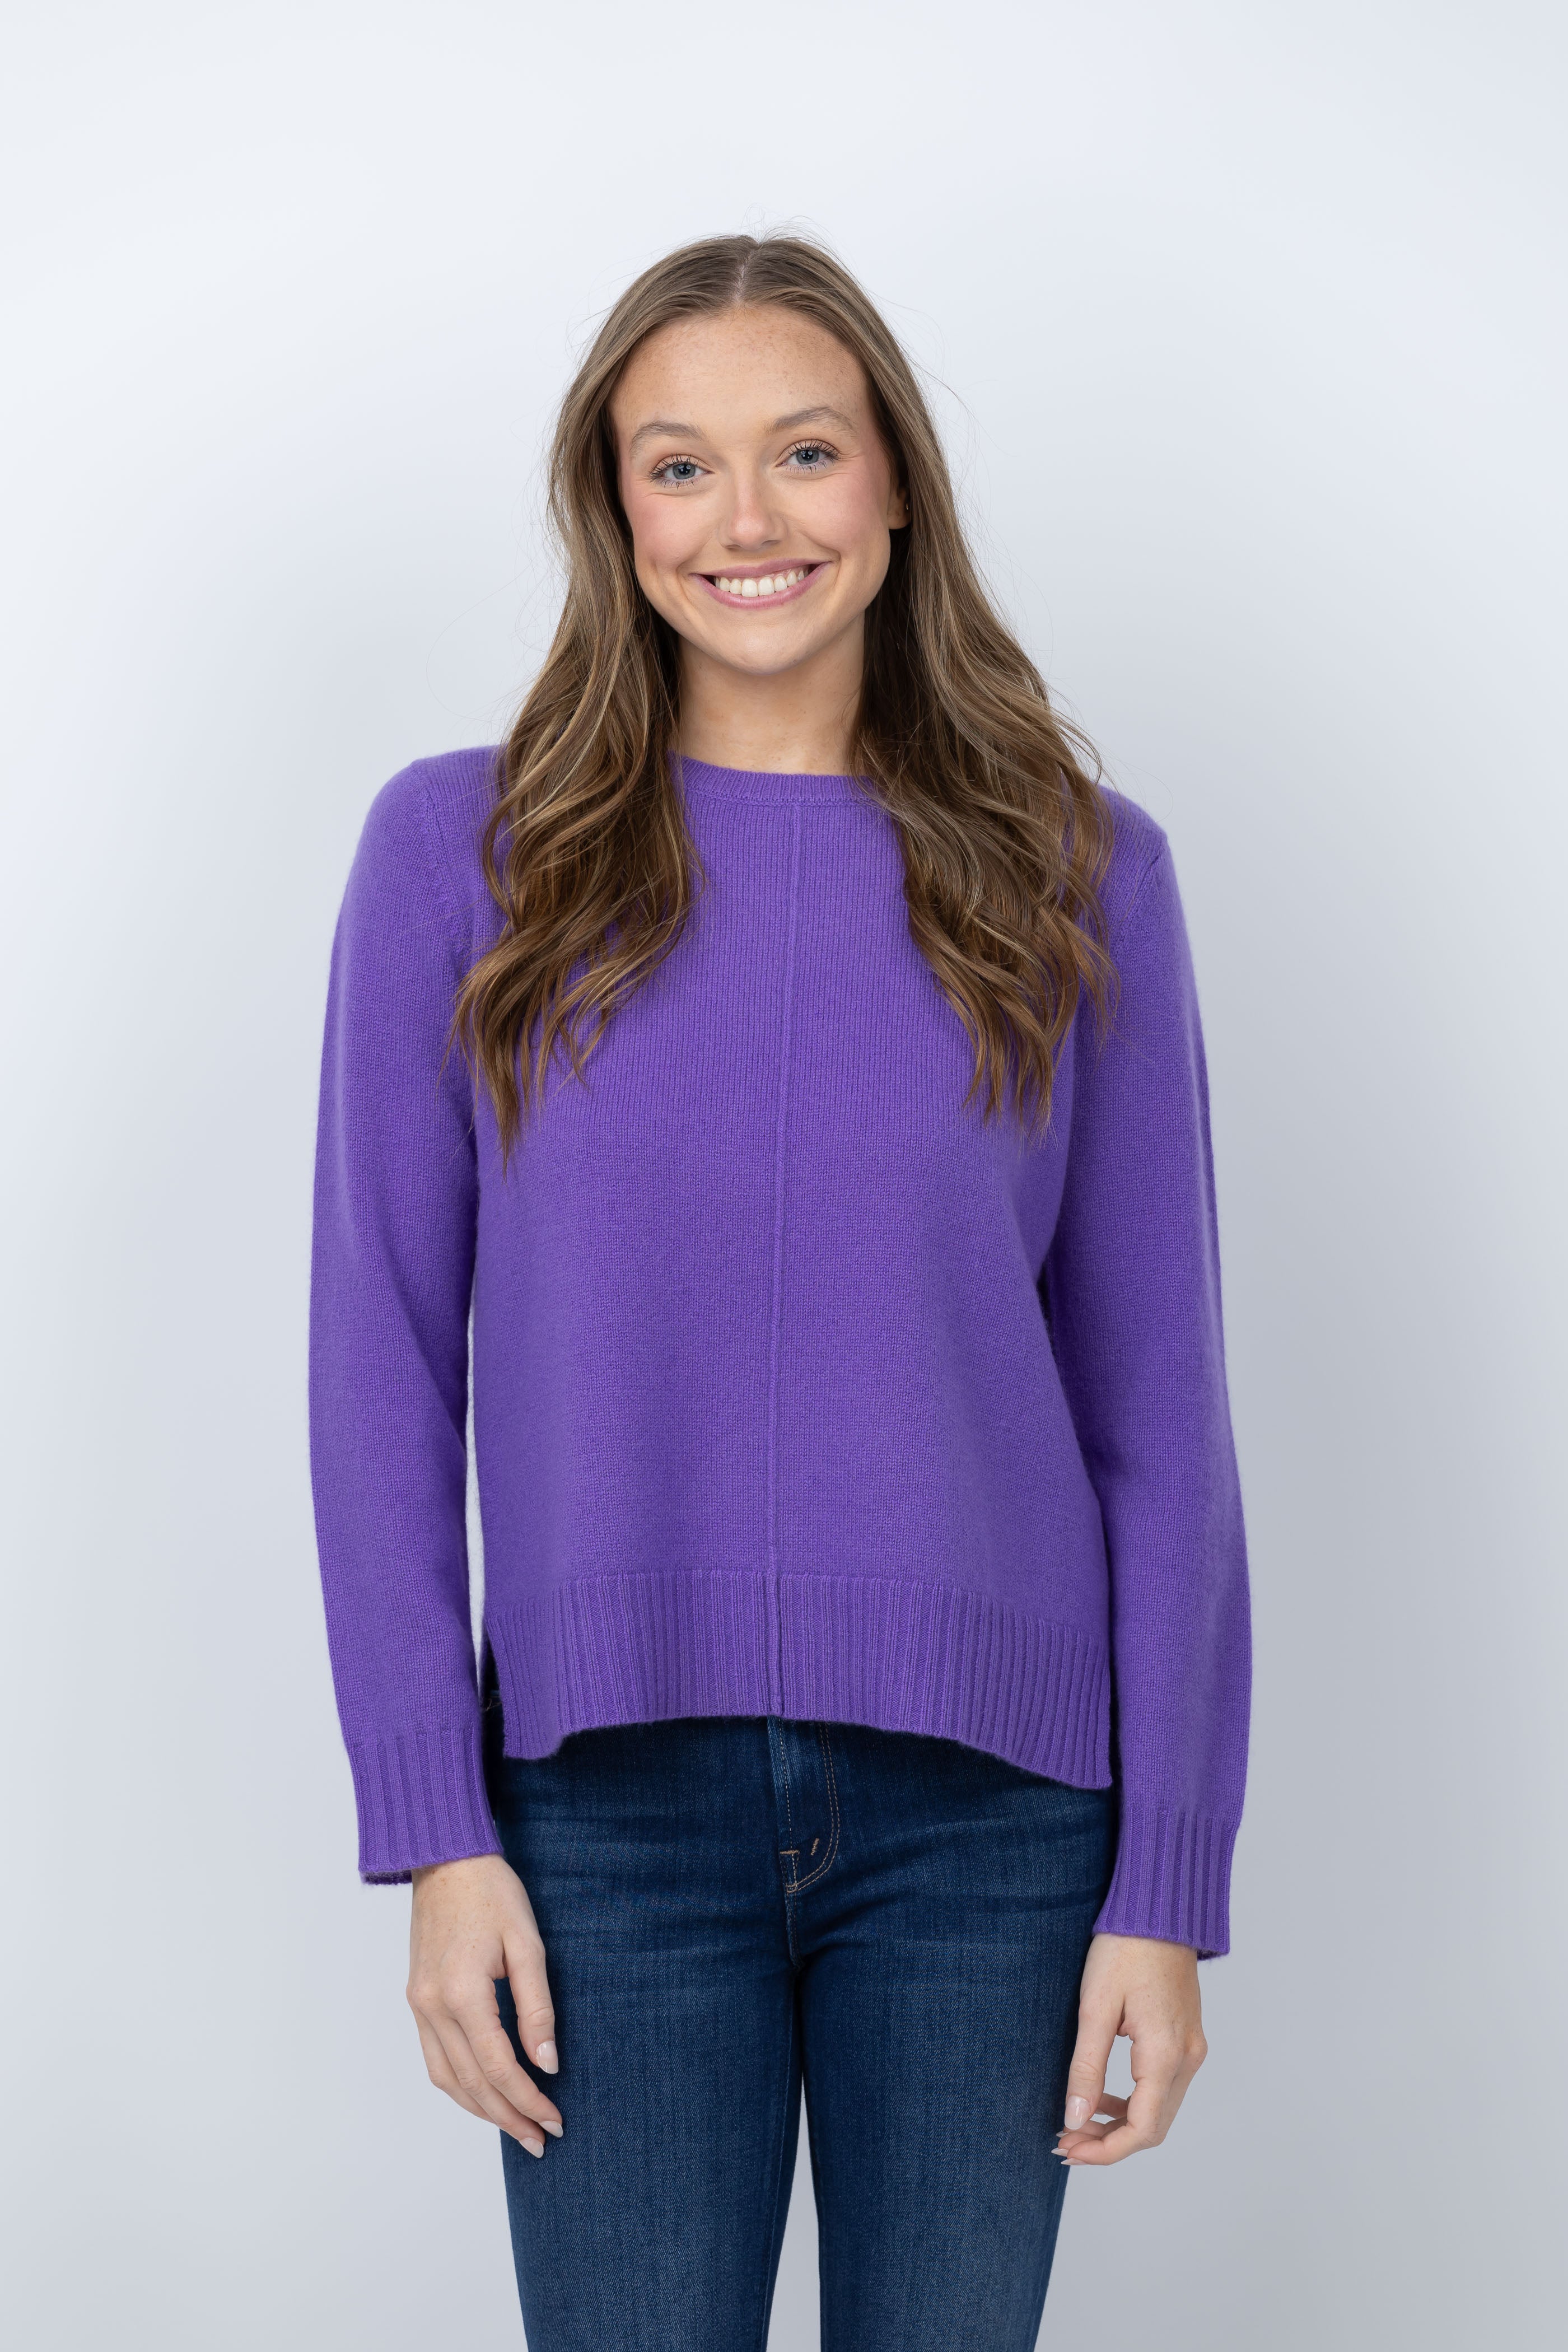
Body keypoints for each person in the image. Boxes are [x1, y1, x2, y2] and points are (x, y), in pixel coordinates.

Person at [308, 231, 1251, 2351]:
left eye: (805, 452)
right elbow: (377, 1366)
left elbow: (1162, 1413)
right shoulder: (465, 856)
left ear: (896, 481)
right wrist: (434, 1831)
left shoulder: (1082, 870)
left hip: (994, 1828)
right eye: (681, 465)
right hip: (600, 1825)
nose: (748, 519)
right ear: (616, 509)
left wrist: (1167, 1884)